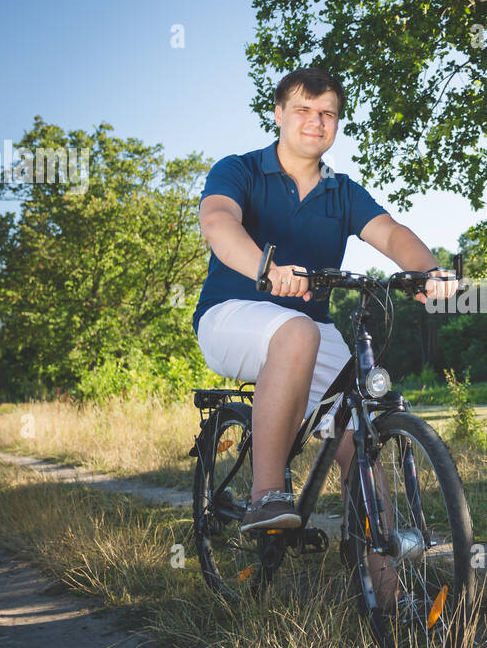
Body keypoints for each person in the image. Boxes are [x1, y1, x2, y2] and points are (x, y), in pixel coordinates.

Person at [192, 66, 455, 533]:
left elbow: (391, 234)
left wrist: (427, 272)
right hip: (231, 315)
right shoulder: (239, 169)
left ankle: (384, 585)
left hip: (309, 331)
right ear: (278, 114)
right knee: (297, 333)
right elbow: (218, 222)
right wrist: (266, 271)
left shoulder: (342, 191)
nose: (316, 121)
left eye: (328, 114)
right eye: (303, 110)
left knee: (363, 427)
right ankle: (266, 495)